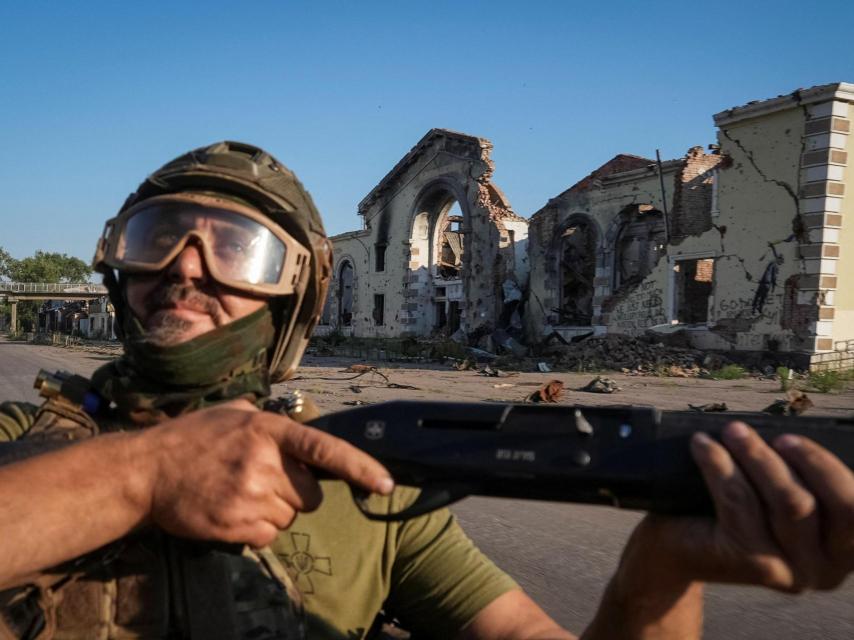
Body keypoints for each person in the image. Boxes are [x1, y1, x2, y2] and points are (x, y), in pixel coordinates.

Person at [1, 141, 852, 640]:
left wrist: (663, 570)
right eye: (156, 240)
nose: (184, 270)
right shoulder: (20, 433)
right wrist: (142, 475)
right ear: (117, 265)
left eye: (235, 249)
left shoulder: (362, 480)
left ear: (297, 291)